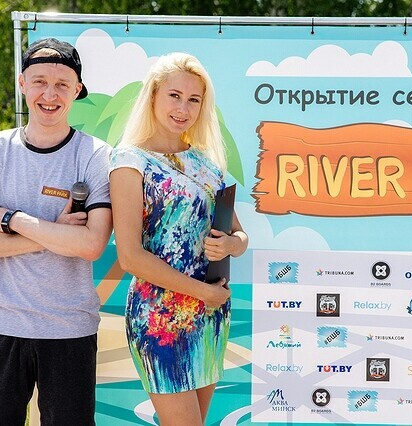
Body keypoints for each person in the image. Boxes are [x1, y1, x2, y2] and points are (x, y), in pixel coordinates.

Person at [0, 38, 112, 425]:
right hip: (0, 326)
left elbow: (92, 244)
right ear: (22, 83)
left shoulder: (96, 154)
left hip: (70, 330)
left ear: (77, 90)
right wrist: (53, 235)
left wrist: (12, 220)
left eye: (62, 85)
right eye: (39, 82)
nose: (50, 95)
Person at [109, 52, 248, 425]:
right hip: (159, 319)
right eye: (174, 95)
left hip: (210, 315)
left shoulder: (206, 162)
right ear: (153, 94)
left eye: (193, 99)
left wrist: (232, 245)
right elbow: (130, 257)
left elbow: (238, 234)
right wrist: (204, 292)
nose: (183, 108)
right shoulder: (129, 162)